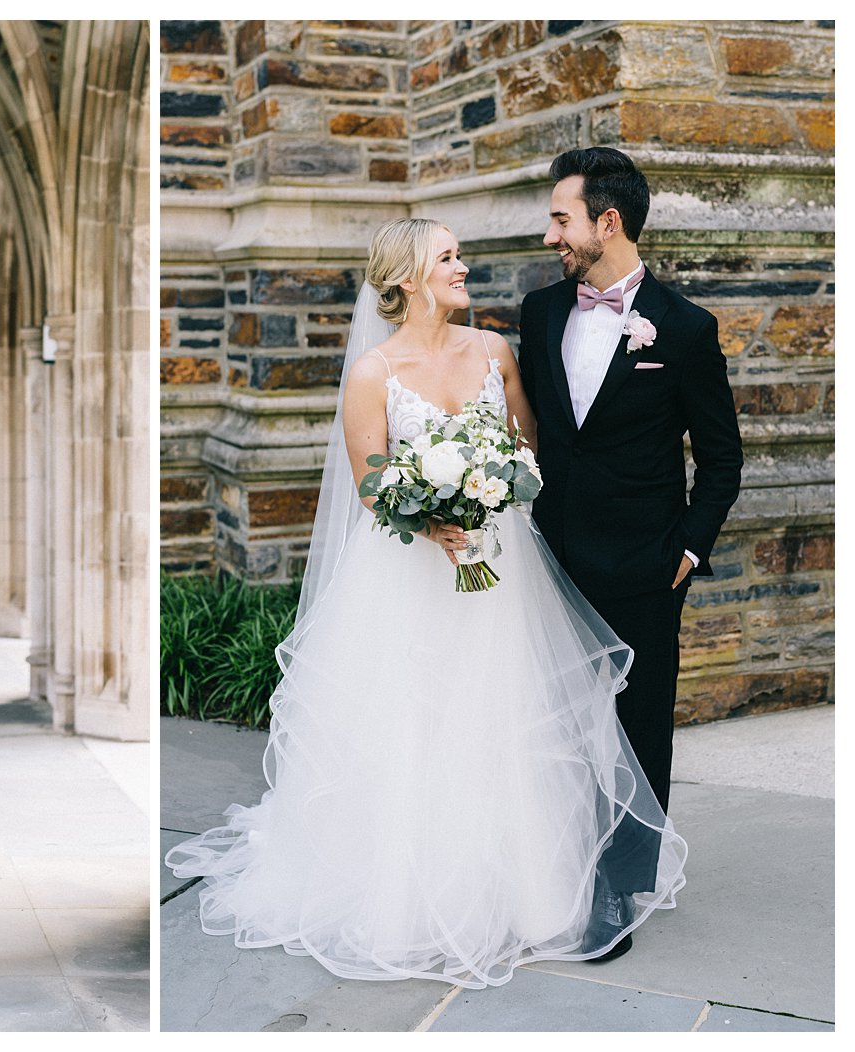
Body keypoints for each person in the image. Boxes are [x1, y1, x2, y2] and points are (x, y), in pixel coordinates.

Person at [165, 218, 687, 988]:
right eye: (448, 257)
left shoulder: (494, 352)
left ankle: (532, 896)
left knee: (502, 719)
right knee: (416, 724)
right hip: (411, 578)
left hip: (501, 575)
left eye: (459, 255)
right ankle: (403, 901)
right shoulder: (374, 371)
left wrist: (491, 488)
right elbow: (371, 481)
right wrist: (428, 512)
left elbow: (529, 448)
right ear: (408, 276)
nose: (463, 266)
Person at [518, 147, 743, 960]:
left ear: (605, 223)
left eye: (561, 219)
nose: (550, 236)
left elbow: (722, 460)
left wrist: (685, 552)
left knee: (637, 727)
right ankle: (555, 868)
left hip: (646, 567)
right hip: (549, 565)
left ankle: (620, 890)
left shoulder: (683, 328)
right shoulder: (540, 314)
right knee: (556, 723)